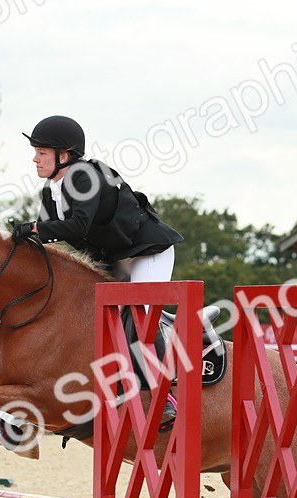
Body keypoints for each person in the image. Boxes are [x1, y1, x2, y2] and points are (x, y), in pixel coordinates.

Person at [13, 115, 185, 424]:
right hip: (115, 259)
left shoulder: (84, 176)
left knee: (137, 313)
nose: (35, 159)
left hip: (148, 251)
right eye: (36, 152)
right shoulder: (50, 193)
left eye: (41, 152)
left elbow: (78, 224)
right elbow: (54, 238)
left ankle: (165, 396)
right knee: (94, 314)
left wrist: (36, 228)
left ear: (63, 155)